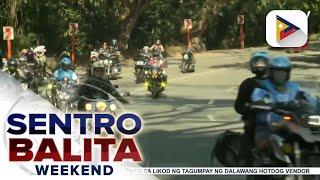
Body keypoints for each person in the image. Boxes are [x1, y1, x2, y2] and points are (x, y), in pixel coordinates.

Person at [251, 56, 317, 160]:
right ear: (271, 72)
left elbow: (308, 97)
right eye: (277, 72)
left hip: (293, 120)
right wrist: (267, 103)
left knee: (312, 128)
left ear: (288, 73)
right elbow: (257, 98)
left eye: (283, 72)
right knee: (262, 148)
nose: (280, 75)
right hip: (269, 122)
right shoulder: (262, 86)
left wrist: (314, 102)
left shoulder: (294, 87)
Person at [234, 51, 270, 166]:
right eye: (256, 62)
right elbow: (238, 105)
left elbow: (289, 94)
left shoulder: (276, 81)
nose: (259, 65)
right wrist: (250, 108)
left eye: (262, 62)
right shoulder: (248, 84)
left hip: (276, 119)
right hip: (255, 121)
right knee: (249, 136)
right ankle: (247, 160)